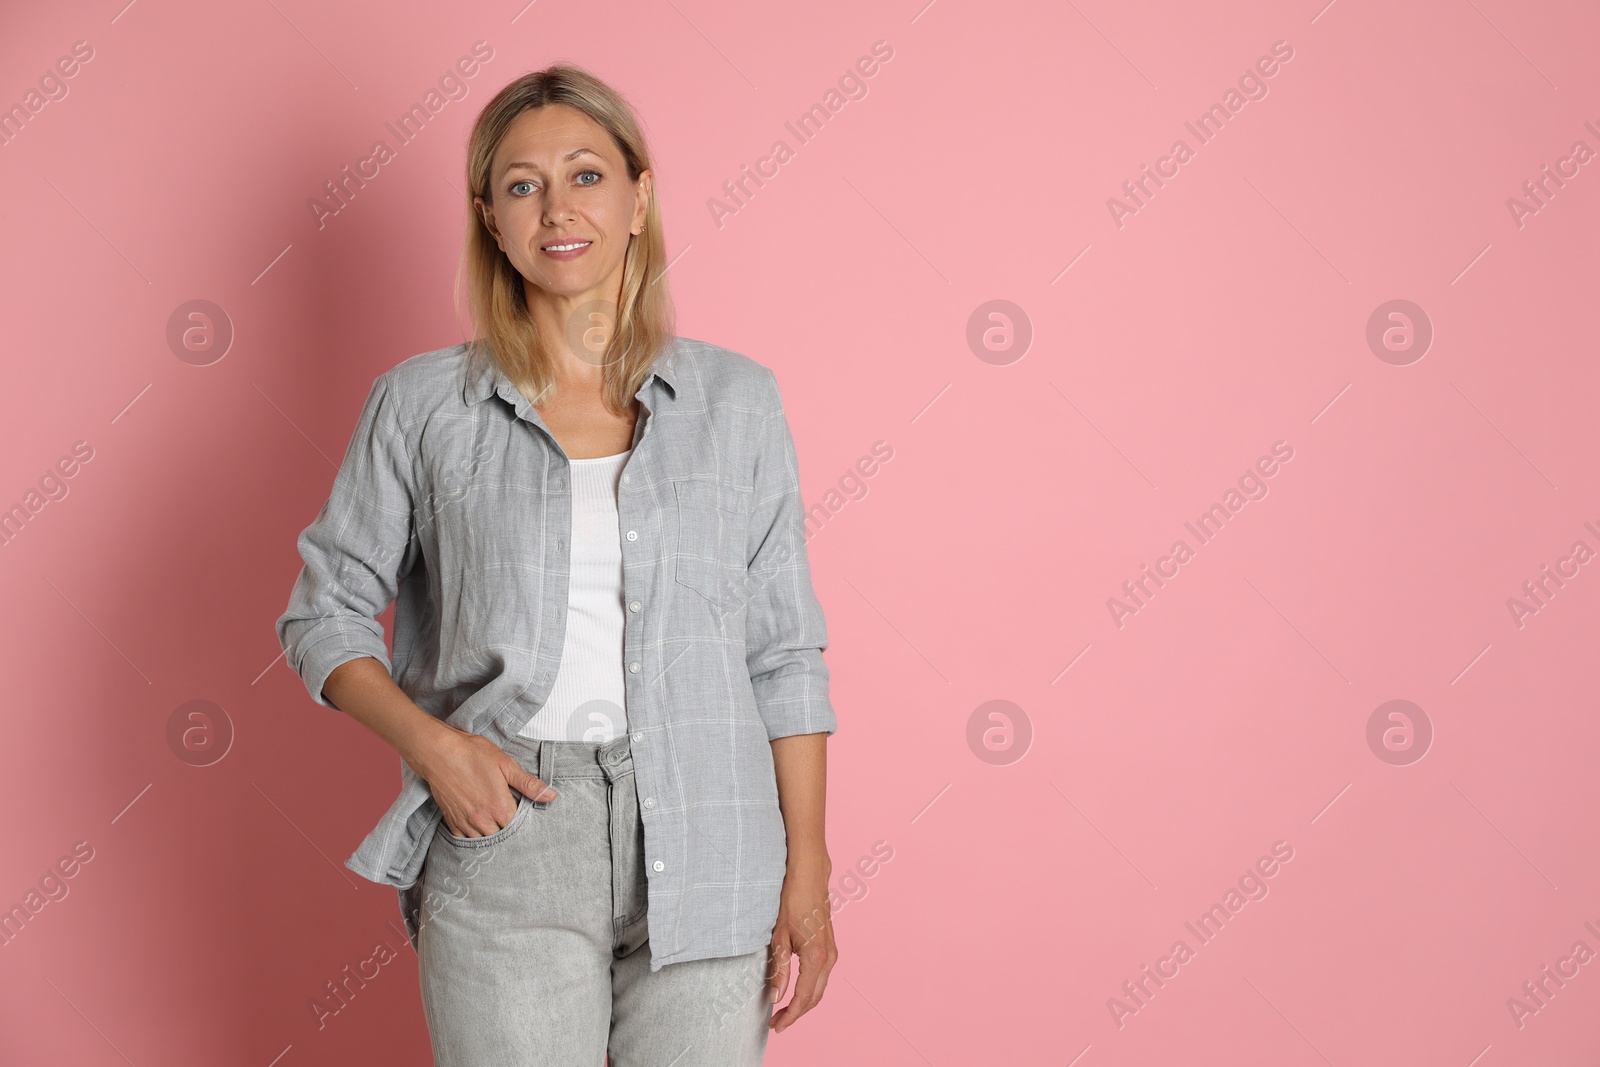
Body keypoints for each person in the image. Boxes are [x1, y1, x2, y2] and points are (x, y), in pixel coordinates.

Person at [274, 64, 838, 1065]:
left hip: (714, 832)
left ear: (638, 196)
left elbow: (784, 652)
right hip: (509, 834)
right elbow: (323, 615)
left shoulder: (739, 403)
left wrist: (809, 870)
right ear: (489, 218)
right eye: (523, 185)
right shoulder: (419, 407)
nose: (557, 207)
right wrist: (435, 747)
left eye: (585, 174)